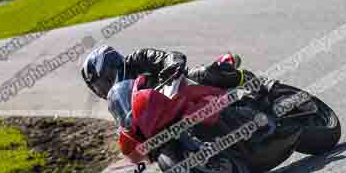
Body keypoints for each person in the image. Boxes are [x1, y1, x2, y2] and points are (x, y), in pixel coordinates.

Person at [81, 45, 276, 102]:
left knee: (202, 75)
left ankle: (255, 83)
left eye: (105, 81)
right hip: (168, 113)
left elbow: (167, 56)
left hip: (182, 85)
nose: (105, 88)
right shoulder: (121, 102)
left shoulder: (138, 59)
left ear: (114, 66)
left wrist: (171, 66)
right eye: (99, 88)